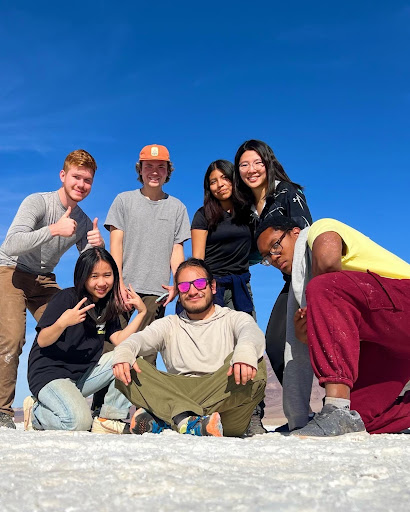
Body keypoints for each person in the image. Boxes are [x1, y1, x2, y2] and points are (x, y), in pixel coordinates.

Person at [256, 216, 410, 436]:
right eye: (266, 257)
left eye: (275, 245)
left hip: (405, 302)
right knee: (359, 418)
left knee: (324, 286)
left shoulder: (322, 228)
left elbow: (328, 264)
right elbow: (340, 334)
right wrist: (312, 331)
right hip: (390, 341)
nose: (274, 257)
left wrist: (317, 314)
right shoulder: (303, 289)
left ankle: (336, 407)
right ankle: (344, 413)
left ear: (296, 233)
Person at [0, 149, 104, 429]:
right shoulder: (38, 202)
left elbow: (90, 266)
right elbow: (10, 244)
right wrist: (53, 230)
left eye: (87, 180)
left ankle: (56, 397)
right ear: (63, 175)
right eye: (76, 177)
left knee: (71, 326)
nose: (81, 184)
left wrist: (97, 245)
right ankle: (2, 411)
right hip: (10, 270)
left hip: (44, 279)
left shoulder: (82, 221)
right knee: (12, 337)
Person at [112, 258, 267, 437]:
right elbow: (137, 340)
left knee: (258, 367)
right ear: (178, 292)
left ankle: (169, 418)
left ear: (213, 286)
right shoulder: (169, 324)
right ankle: (188, 422)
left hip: (224, 405)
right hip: (180, 388)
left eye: (200, 284)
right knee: (127, 367)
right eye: (184, 287)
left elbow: (250, 332)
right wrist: (124, 354)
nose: (193, 291)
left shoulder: (233, 318)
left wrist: (244, 354)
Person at [24, 247, 147, 433]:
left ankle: (108, 418)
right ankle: (36, 413)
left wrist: (141, 313)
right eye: (94, 276)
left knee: (130, 358)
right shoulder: (67, 298)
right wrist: (63, 323)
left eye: (107, 275)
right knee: (78, 424)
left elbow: (119, 341)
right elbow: (42, 340)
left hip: (82, 376)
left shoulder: (107, 306)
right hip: (50, 376)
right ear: (82, 277)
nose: (102, 282)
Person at [105, 144, 191, 327]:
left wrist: (177, 282)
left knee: (146, 353)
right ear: (140, 170)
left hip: (157, 293)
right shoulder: (123, 201)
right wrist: (117, 283)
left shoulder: (178, 208)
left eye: (161, 166)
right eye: (149, 166)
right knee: (113, 350)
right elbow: (116, 247)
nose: (155, 172)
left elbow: (177, 251)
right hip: (123, 289)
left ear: (168, 171)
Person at [191, 159, 254, 314]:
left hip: (241, 286)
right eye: (213, 181)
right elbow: (198, 259)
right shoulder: (202, 215)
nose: (220, 185)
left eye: (225, 178)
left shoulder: (249, 213)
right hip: (212, 287)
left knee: (247, 336)